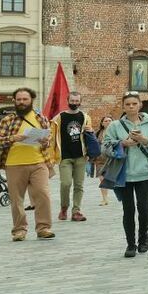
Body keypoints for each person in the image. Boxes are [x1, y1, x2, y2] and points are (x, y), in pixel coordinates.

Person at [101, 92, 148, 257]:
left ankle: (143, 239)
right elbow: (104, 147)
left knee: (143, 208)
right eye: (127, 104)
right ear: (123, 107)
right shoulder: (115, 126)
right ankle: (130, 244)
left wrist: (143, 139)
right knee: (128, 210)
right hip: (123, 174)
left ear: (140, 105)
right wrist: (123, 143)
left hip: (144, 173)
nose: (131, 107)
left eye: (134, 104)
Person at [0, 87, 58, 241]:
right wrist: (13, 138)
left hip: (39, 162)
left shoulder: (40, 118)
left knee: (43, 195)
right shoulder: (8, 119)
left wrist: (45, 140)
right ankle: (19, 230)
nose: (22, 102)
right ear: (14, 101)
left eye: (25, 99)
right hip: (14, 164)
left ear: (31, 100)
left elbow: (47, 141)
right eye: (19, 99)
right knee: (17, 199)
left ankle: (43, 228)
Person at [53, 91, 93, 221]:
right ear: (68, 100)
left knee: (79, 185)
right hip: (65, 156)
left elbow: (89, 135)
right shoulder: (59, 117)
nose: (75, 103)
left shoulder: (85, 117)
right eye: (72, 101)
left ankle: (76, 211)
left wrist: (91, 132)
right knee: (66, 183)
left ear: (80, 102)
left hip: (80, 156)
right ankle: (64, 208)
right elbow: (52, 135)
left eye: (77, 101)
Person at [94, 116, 113, 206]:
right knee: (102, 179)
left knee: (112, 178)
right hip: (100, 159)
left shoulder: (116, 132)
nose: (108, 122)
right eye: (106, 121)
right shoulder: (98, 133)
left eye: (110, 120)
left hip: (113, 159)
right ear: (102, 123)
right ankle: (104, 199)